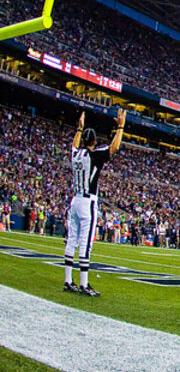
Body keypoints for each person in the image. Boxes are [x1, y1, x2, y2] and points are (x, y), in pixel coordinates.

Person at [64, 109, 125, 296]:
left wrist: (79, 129)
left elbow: (74, 146)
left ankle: (68, 280)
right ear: (94, 142)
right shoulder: (94, 155)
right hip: (87, 202)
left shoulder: (76, 155)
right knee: (85, 243)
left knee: (72, 240)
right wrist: (121, 126)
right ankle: (83, 284)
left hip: (74, 200)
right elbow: (114, 148)